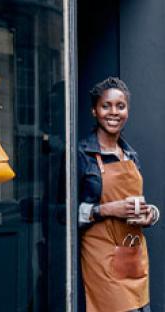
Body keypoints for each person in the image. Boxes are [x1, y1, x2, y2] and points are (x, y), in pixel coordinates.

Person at [78, 77, 160, 312]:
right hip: (101, 259)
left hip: (132, 253)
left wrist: (151, 214)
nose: (114, 112)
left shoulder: (130, 156)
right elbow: (60, 213)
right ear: (94, 111)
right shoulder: (81, 154)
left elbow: (140, 203)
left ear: (127, 111)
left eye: (120, 106)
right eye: (106, 106)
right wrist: (105, 209)